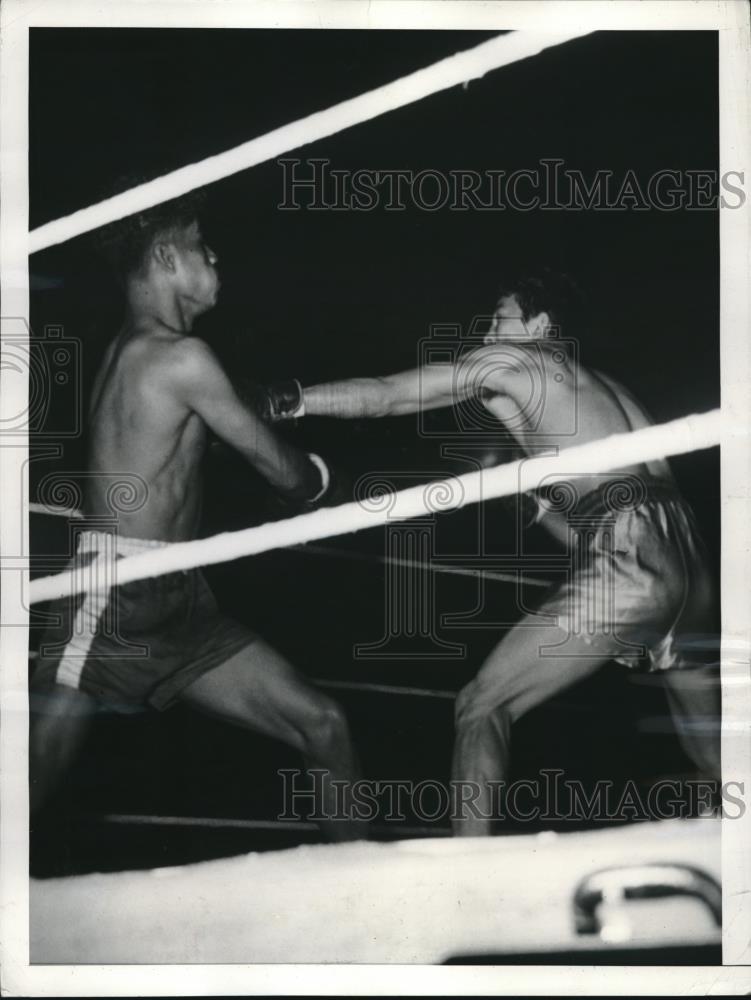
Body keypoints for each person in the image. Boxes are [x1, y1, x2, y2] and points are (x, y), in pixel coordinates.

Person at [258, 268, 721, 835]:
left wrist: (285, 401)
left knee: (482, 705)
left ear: (539, 326)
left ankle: (468, 883)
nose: (487, 329)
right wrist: (531, 502)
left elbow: (384, 396)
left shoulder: (514, 364)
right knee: (717, 766)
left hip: (632, 547)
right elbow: (606, 527)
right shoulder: (606, 390)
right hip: (688, 560)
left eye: (500, 318)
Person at [30, 194, 364, 841]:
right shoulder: (178, 357)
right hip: (116, 596)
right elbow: (282, 472)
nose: (214, 257)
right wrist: (325, 480)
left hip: (181, 597)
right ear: (165, 257)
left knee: (321, 723)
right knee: (26, 787)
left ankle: (361, 904)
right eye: (200, 244)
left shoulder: (152, 352)